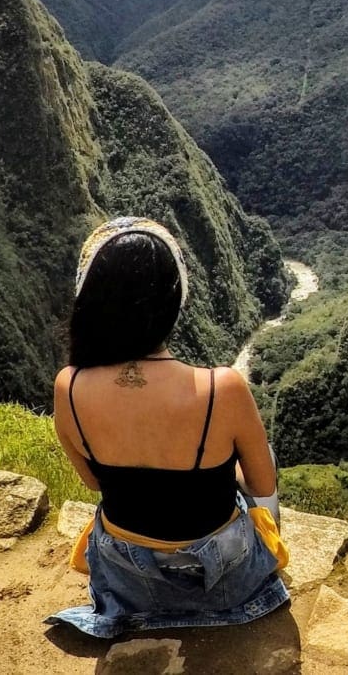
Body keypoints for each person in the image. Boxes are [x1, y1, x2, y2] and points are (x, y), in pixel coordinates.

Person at [45, 216, 290, 638]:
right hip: (223, 583)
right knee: (261, 458)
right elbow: (262, 483)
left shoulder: (69, 386)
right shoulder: (221, 388)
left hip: (128, 581)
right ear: (175, 301)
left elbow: (91, 482)